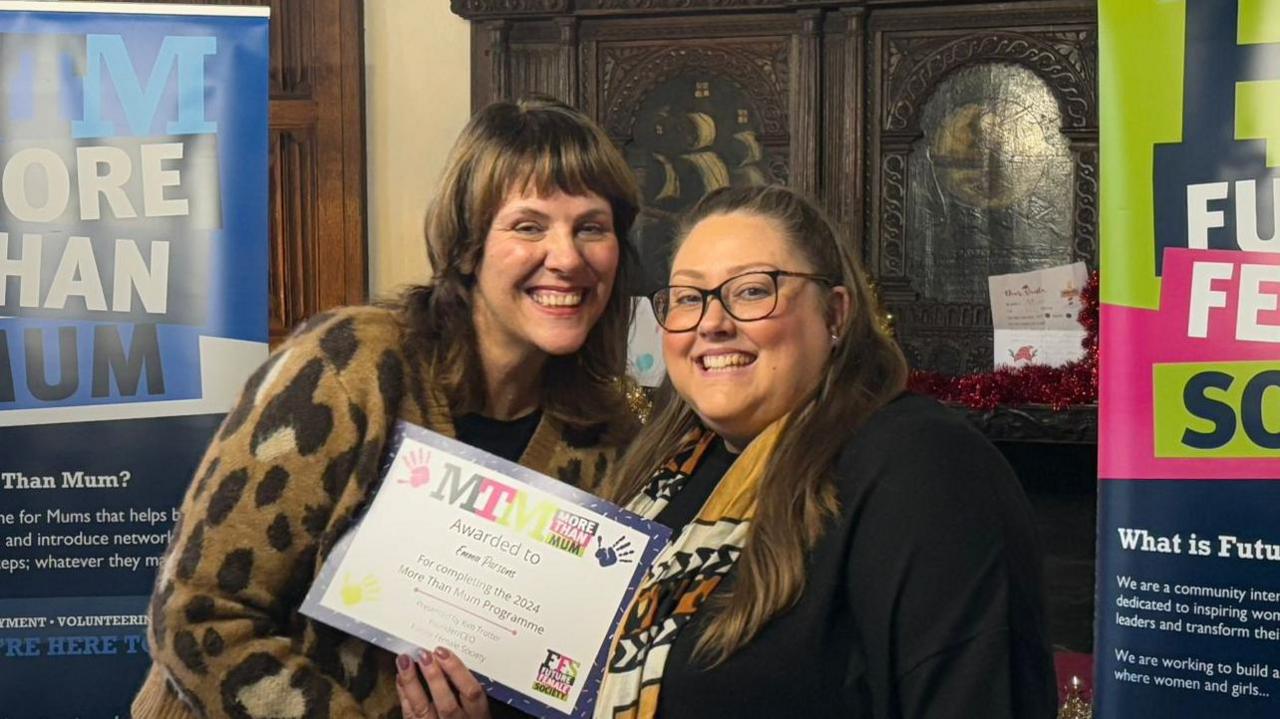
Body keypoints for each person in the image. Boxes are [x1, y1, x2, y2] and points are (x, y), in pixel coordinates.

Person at [131, 97, 642, 719]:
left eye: (591, 226)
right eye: (528, 226)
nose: (566, 257)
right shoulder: (350, 367)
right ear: (467, 246)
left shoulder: (606, 439)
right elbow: (196, 615)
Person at [590, 184, 1057, 718]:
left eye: (751, 290)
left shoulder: (924, 467)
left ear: (835, 315)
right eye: (689, 298)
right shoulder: (663, 471)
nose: (712, 323)